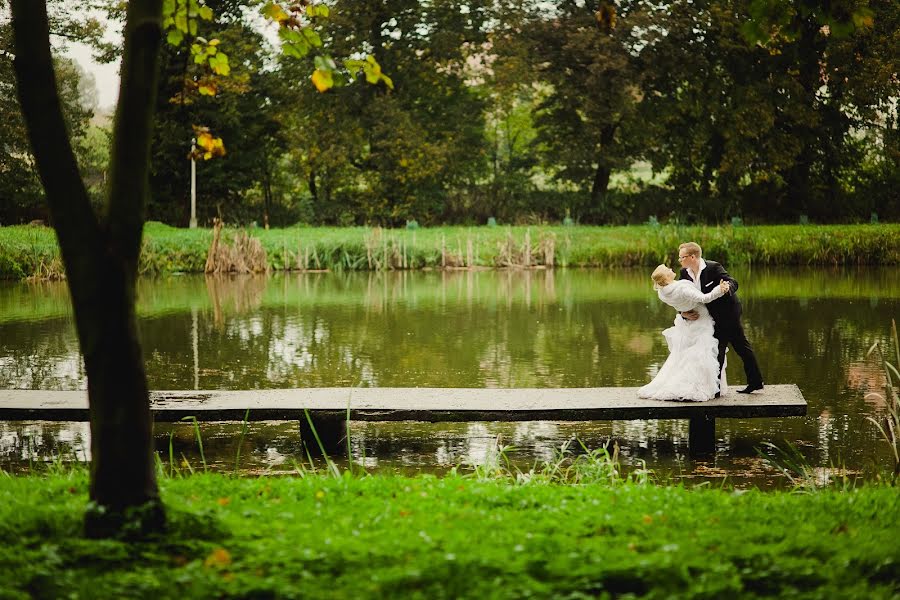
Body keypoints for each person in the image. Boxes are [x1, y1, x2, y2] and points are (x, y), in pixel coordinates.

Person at [677, 242, 764, 394]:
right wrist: (682, 313)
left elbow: (733, 282)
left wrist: (727, 288)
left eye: (682, 257)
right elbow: (680, 297)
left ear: (692, 257)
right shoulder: (684, 273)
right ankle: (716, 388)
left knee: (737, 347)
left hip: (728, 313)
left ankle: (753, 382)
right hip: (708, 317)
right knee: (716, 349)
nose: (680, 261)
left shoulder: (713, 268)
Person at [638, 265, 730, 402]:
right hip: (701, 320)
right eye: (668, 270)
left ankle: (685, 382)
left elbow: (677, 305)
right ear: (666, 277)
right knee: (701, 354)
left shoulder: (662, 292)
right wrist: (720, 289)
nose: (670, 268)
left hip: (687, 323)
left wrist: (683, 312)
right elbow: (705, 298)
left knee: (683, 355)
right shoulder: (682, 289)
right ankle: (698, 386)